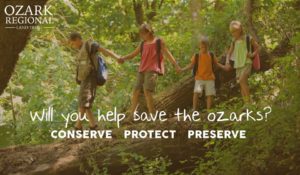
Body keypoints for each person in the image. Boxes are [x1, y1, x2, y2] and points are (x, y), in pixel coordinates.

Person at [118, 23, 181, 118]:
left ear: (149, 32)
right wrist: (123, 58)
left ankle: (152, 115)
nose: (141, 36)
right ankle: (132, 114)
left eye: (143, 34)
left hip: (152, 69)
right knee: (136, 90)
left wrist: (176, 65)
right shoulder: (143, 44)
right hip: (142, 69)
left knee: (147, 91)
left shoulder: (158, 42)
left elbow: (167, 54)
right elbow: (133, 54)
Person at [69, 32, 120, 130]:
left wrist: (117, 57)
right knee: (85, 102)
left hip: (90, 77)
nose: (73, 45)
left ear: (77, 39)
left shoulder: (90, 45)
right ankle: (93, 126)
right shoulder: (81, 49)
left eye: (73, 43)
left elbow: (103, 50)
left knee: (84, 101)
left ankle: (77, 127)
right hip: (84, 78)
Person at [181, 36, 223, 111]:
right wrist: (182, 69)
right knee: (196, 93)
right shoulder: (197, 55)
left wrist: (224, 67)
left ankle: (209, 110)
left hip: (210, 78)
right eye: (202, 47)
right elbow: (191, 65)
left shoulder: (211, 55)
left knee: (210, 94)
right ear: (199, 46)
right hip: (199, 78)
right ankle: (194, 109)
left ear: (208, 46)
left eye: (205, 47)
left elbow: (217, 64)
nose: (203, 49)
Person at [225, 21, 259, 107]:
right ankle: (246, 104)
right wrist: (227, 62)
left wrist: (252, 54)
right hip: (238, 65)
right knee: (241, 83)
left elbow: (257, 47)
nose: (233, 33)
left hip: (247, 62)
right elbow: (229, 53)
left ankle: (248, 103)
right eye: (232, 32)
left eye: (234, 31)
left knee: (242, 80)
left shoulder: (248, 38)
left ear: (240, 29)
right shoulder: (234, 41)